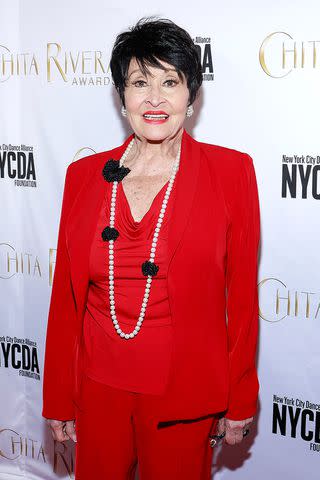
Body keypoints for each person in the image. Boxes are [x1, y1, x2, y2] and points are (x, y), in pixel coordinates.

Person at [42, 15, 261, 480]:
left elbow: (241, 298)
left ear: (191, 96)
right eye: (140, 82)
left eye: (171, 81)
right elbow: (65, 297)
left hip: (184, 393)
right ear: (122, 98)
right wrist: (59, 394)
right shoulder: (83, 177)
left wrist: (240, 396)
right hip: (97, 389)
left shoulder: (232, 174)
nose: (155, 98)